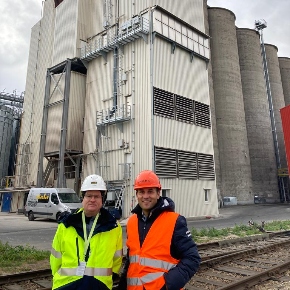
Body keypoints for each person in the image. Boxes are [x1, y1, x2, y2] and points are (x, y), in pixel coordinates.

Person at [118, 170, 201, 290]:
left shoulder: (175, 221)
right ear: (137, 195)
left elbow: (192, 258)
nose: (145, 196)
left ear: (158, 193)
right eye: (141, 192)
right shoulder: (131, 222)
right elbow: (132, 260)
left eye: (150, 191)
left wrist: (168, 285)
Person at [50, 174, 123, 290]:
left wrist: (108, 278)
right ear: (82, 198)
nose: (92, 200)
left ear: (102, 199)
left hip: (99, 285)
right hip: (67, 284)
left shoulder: (114, 227)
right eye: (89, 196)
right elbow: (55, 258)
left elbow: (117, 259)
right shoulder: (66, 224)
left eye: (97, 196)